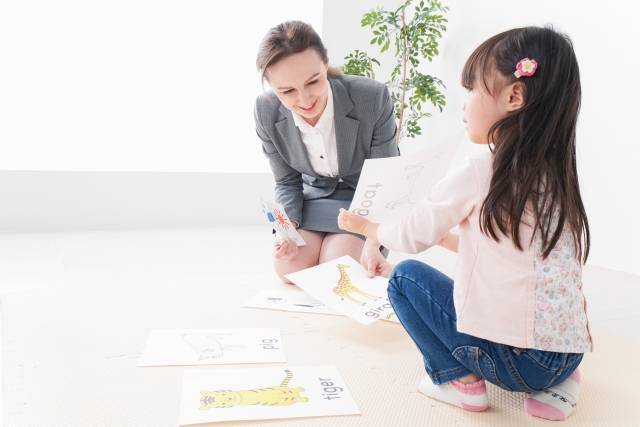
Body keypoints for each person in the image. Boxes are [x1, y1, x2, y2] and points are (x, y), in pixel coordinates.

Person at [338, 26, 591, 421]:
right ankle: (565, 380)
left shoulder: (479, 170)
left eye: (471, 90)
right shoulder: (555, 178)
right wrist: (445, 240)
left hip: (516, 368)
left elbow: (410, 234)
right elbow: (504, 254)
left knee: (404, 278)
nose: (465, 104)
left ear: (513, 97)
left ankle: (460, 384)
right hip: (568, 351)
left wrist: (369, 228)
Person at [255, 21, 399, 283]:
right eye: (287, 91)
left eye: (313, 81)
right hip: (314, 199)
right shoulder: (266, 111)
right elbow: (287, 181)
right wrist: (286, 231)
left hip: (362, 204)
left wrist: (372, 241)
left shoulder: (372, 97)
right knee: (288, 269)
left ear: (326, 62)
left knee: (337, 271)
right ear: (272, 88)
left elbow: (385, 181)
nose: (305, 99)